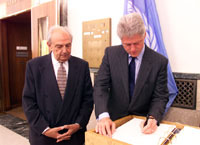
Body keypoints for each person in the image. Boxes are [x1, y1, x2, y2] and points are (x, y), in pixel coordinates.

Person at [93, 13, 169, 137]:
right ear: (121, 39)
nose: (133, 49)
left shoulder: (159, 62)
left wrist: (153, 117)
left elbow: (160, 96)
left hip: (141, 125)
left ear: (144, 35)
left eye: (137, 43)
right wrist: (103, 116)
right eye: (127, 44)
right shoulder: (111, 54)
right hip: (113, 123)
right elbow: (101, 86)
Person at [22, 25, 93, 145]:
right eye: (59, 46)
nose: (65, 50)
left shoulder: (82, 66)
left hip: (74, 137)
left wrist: (77, 125)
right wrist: (45, 130)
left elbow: (88, 100)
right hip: (44, 137)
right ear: (49, 45)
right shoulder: (34, 66)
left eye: (68, 45)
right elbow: (29, 102)